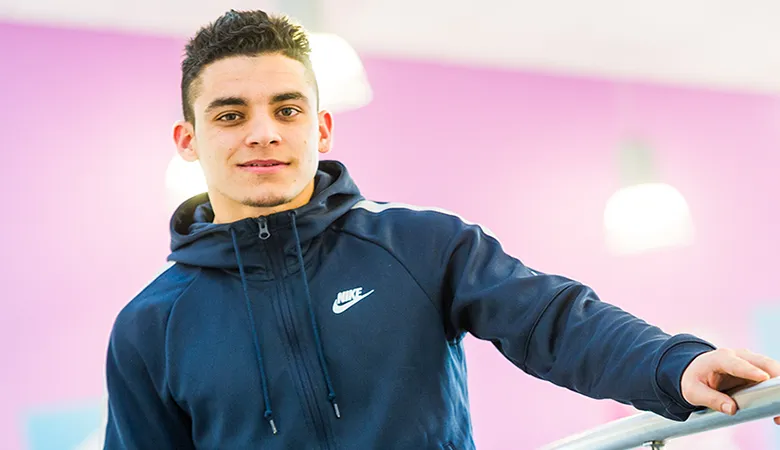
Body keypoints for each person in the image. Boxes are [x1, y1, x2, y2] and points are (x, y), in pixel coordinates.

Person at [103, 9, 780, 450]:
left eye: (287, 108)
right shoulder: (149, 327)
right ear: (187, 140)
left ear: (322, 127)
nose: (263, 133)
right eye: (230, 115)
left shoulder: (423, 247)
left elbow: (556, 320)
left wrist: (676, 362)